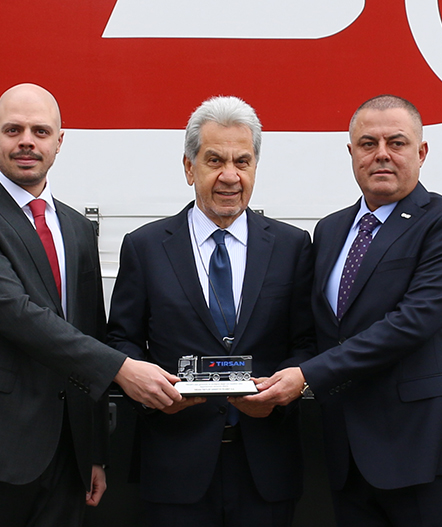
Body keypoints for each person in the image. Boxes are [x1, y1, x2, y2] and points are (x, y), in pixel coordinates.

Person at [0, 83, 183, 526]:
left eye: (40, 131)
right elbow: (19, 315)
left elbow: (88, 331)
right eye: (13, 130)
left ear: (59, 141)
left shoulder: (77, 228)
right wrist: (121, 368)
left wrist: (94, 451)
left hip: (65, 454)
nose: (27, 141)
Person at [254, 94, 442, 526]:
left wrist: (307, 376)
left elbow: (412, 322)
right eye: (367, 143)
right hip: (347, 453)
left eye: (396, 143)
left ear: (421, 152)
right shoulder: (330, 230)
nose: (381, 154)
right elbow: (319, 330)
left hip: (425, 448)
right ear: (351, 153)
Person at [106, 95, 315, 526]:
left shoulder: (292, 247)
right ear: (189, 168)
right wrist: (153, 396)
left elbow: (307, 342)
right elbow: (122, 340)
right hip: (175, 465)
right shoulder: (145, 247)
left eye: (242, 162)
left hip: (266, 467)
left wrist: (279, 395)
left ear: (255, 167)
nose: (229, 176)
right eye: (214, 160)